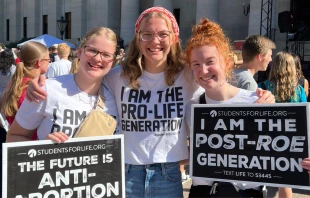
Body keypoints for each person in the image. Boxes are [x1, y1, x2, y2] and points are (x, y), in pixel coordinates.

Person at [26, 7, 274, 198]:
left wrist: (258, 98)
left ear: (173, 37)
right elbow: (84, 82)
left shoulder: (189, 74)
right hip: (124, 172)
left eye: (162, 34)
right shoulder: (117, 75)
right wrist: (39, 83)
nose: (155, 41)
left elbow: (220, 90)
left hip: (168, 176)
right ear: (138, 38)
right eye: (147, 34)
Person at [184, 18, 292, 198]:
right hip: (203, 193)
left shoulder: (256, 102)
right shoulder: (192, 106)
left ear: (227, 63)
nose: (203, 70)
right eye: (196, 64)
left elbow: (280, 162)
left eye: (210, 61)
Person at [6, 27, 117, 143]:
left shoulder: (117, 96)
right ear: (79, 52)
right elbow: (14, 136)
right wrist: (42, 149)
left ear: (113, 62)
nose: (98, 58)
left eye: (106, 55)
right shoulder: (46, 90)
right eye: (92, 50)